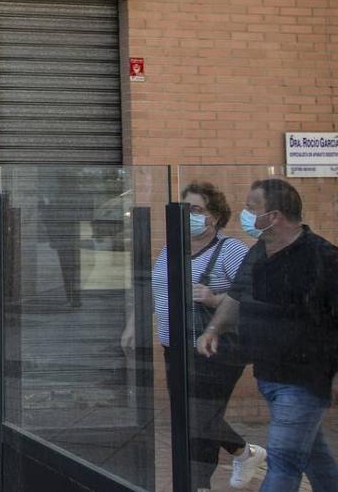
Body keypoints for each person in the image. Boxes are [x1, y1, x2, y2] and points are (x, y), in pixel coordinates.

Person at [121, 181, 263, 490]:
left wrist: (213, 298)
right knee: (190, 415)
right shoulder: (172, 248)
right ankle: (243, 452)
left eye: (196, 210)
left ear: (214, 216)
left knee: (200, 416)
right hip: (175, 346)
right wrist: (134, 324)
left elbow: (251, 297)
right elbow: (151, 289)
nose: (189, 216)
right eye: (185, 209)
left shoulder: (231, 250)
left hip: (216, 347)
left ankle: (198, 484)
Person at [199, 178, 338, 492]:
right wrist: (213, 329)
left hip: (305, 378)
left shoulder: (323, 257)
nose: (244, 214)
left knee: (283, 462)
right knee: (314, 455)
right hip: (268, 373)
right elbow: (237, 295)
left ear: (274, 216)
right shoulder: (259, 251)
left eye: (251, 207)